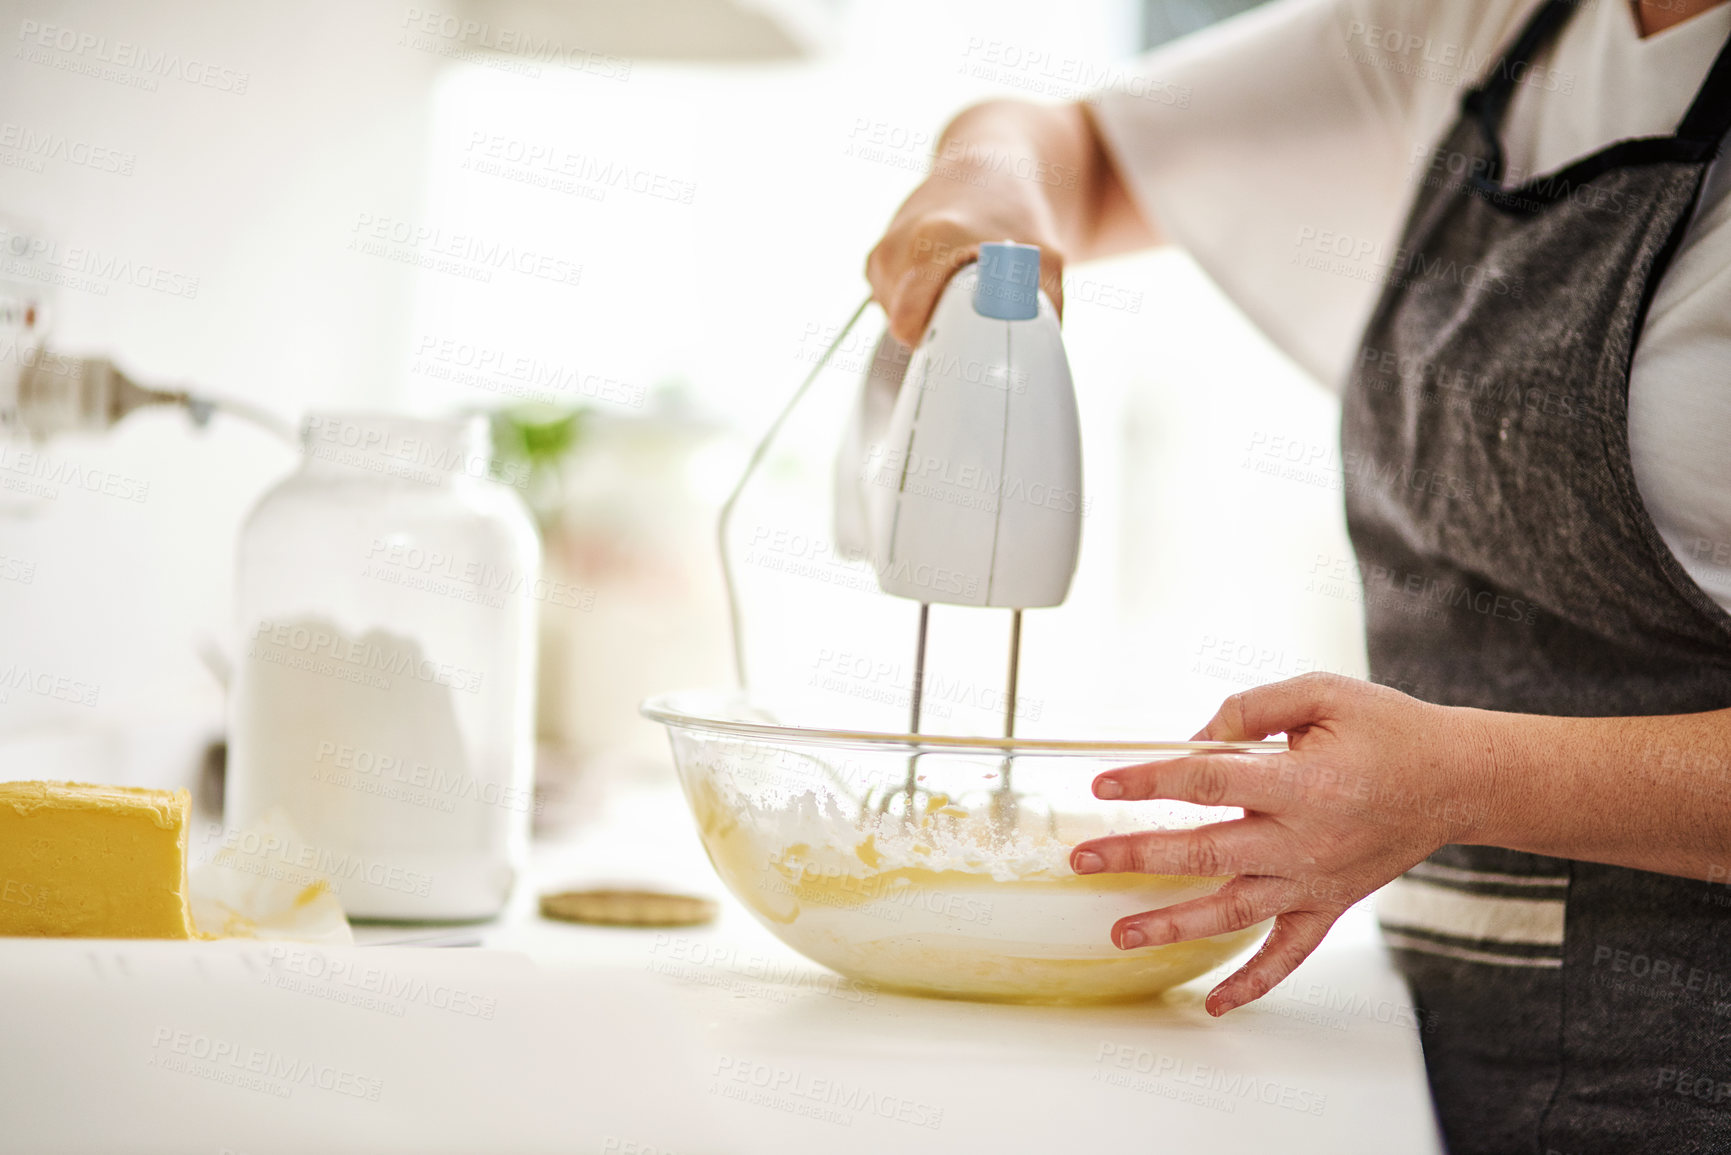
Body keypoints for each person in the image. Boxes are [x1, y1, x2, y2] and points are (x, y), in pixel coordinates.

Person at [865, 1, 1731, 1151]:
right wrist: (980, 198)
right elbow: (1062, 142)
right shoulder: (1479, 24)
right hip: (1454, 1044)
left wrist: (1463, 778)